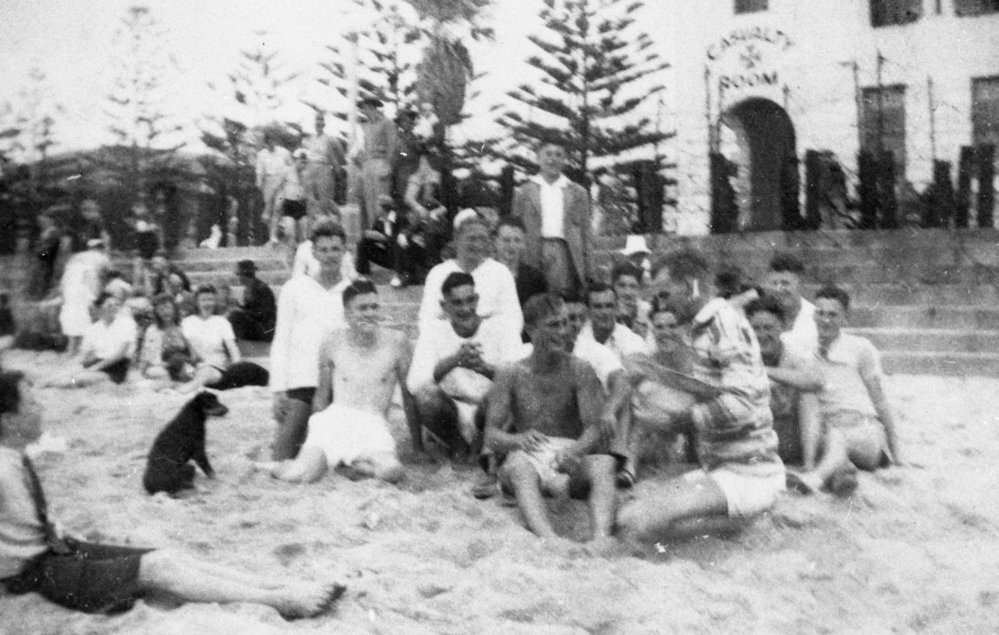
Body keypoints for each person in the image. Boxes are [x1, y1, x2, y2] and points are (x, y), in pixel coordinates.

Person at [0, 371, 343, 618]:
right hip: (37, 571)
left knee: (165, 556)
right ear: (8, 419)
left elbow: (33, 524)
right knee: (159, 567)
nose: (42, 407)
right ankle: (278, 601)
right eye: (32, 402)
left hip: (56, 551)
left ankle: (277, 586)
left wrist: (70, 542)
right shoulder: (3, 468)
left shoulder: (14, 456)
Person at [617, 248, 785, 539]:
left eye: (666, 294)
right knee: (627, 513)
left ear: (690, 285)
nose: (661, 302)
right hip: (720, 467)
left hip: (748, 474)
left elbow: (742, 404)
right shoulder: (701, 328)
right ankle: (737, 522)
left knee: (638, 523)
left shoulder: (724, 323)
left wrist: (676, 421)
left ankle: (748, 525)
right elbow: (712, 393)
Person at [484, 294, 617, 542]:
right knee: (518, 468)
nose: (564, 331)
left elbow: (594, 428)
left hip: (568, 454)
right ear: (531, 329)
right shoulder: (511, 373)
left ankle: (601, 538)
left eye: (566, 323)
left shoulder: (580, 369)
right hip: (528, 454)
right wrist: (518, 440)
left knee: (604, 464)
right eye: (554, 325)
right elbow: (491, 436)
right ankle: (549, 538)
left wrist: (576, 450)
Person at [268, 279, 415, 484]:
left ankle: (351, 467)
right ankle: (278, 465)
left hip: (373, 423)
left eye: (374, 307)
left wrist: (418, 446)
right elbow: (321, 397)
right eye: (362, 308)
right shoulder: (332, 342)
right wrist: (314, 435)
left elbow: (409, 395)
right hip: (334, 420)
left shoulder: (397, 342)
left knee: (392, 471)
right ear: (347, 313)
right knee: (300, 475)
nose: (370, 314)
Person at [786, 285, 901, 494]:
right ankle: (837, 475)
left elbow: (880, 400)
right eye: (820, 313)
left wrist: (898, 455)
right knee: (832, 438)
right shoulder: (801, 348)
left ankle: (814, 478)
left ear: (844, 318)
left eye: (833, 314)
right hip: (825, 432)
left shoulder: (860, 347)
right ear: (813, 315)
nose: (825, 320)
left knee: (839, 437)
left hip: (863, 432)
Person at [407, 272, 521, 459]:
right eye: (457, 303)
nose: (466, 308)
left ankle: (483, 443)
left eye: (470, 300)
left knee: (503, 391)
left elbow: (519, 379)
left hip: (491, 413)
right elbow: (414, 384)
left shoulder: (501, 327)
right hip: (452, 411)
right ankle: (458, 445)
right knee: (425, 395)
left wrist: (484, 368)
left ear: (477, 299)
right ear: (444, 306)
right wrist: (454, 361)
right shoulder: (433, 332)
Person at [269, 220, 352, 461]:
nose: (329, 255)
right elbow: (281, 340)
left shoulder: (352, 291)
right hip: (301, 383)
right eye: (323, 249)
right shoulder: (294, 289)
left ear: (345, 251)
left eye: (335, 249)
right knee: (282, 457)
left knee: (337, 456)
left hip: (339, 386)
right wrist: (278, 390)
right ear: (313, 252)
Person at [745, 296, 824, 471]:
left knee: (808, 395)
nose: (762, 335)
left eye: (768, 328)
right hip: (754, 439)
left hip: (788, 436)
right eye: (755, 328)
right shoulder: (743, 355)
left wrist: (766, 371)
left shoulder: (794, 354)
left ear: (781, 327)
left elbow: (816, 381)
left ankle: (809, 465)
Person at [417, 210, 522, 336]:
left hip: (491, 345)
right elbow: (426, 320)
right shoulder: (438, 273)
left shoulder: (500, 272)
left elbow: (515, 320)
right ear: (456, 238)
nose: (478, 244)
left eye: (483, 239)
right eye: (471, 238)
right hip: (449, 345)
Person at [512, 141, 591, 296]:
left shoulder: (577, 192)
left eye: (558, 155)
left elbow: (586, 234)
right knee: (532, 296)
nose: (552, 159)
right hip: (532, 250)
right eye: (548, 154)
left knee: (560, 295)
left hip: (563, 251)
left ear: (564, 160)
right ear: (538, 158)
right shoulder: (524, 191)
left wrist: (589, 269)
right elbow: (515, 230)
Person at [178, 285, 268, 393]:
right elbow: (182, 347)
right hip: (192, 367)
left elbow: (233, 348)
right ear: (197, 302)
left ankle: (183, 391)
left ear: (215, 302)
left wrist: (236, 368)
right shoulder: (187, 322)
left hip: (216, 369)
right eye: (203, 300)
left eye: (210, 299)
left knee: (207, 372)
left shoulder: (221, 322)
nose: (207, 303)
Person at [43, 292, 137, 388]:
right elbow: (84, 354)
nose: (113, 308)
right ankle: (46, 382)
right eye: (109, 305)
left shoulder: (127, 323)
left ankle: (49, 385)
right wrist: (71, 367)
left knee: (80, 379)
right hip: (97, 362)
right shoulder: (94, 329)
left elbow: (120, 354)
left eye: (116, 305)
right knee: (69, 371)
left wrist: (94, 368)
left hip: (116, 366)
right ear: (100, 308)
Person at [58, 238, 110, 356]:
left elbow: (66, 273)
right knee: (87, 316)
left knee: (72, 316)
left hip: (70, 288)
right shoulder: (102, 257)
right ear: (100, 248)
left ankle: (72, 348)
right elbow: (106, 274)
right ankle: (86, 348)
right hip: (86, 287)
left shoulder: (78, 256)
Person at [355, 194, 416, 288]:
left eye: (376, 206)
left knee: (398, 243)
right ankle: (362, 272)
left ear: (383, 207)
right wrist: (368, 235)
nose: (375, 208)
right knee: (363, 242)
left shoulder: (399, 218)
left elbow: (404, 237)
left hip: (400, 258)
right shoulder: (379, 220)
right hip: (388, 256)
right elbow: (375, 235)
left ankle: (400, 275)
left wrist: (384, 237)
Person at [355, 98, 398, 231]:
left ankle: (385, 235)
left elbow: (393, 146)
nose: (363, 111)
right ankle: (373, 235)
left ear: (371, 107)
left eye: (365, 108)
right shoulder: (365, 125)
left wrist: (388, 166)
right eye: (362, 108)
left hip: (381, 163)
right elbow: (364, 146)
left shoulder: (387, 123)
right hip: (367, 164)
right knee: (368, 202)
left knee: (381, 203)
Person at [764, 252, 817, 356]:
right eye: (774, 283)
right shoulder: (763, 313)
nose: (778, 289)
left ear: (800, 284)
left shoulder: (814, 317)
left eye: (785, 283)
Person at [578, 283, 648, 360]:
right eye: (597, 307)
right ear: (588, 310)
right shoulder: (579, 338)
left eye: (609, 306)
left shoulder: (631, 339)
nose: (604, 312)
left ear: (616, 307)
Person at [494, 216, 547, 314]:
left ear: (524, 244)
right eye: (506, 240)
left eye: (517, 240)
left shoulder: (535, 278)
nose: (511, 246)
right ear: (495, 242)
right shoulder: (485, 273)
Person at [139, 294, 196, 382]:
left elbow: (192, 352)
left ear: (174, 310)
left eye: (168, 308)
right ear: (156, 312)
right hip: (159, 367)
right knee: (163, 374)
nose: (166, 312)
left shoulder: (183, 327)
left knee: (189, 372)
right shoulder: (152, 330)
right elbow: (146, 354)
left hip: (182, 364)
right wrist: (143, 370)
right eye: (161, 309)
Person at [302, 112, 346, 217]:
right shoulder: (308, 140)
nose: (319, 122)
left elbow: (341, 158)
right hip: (310, 170)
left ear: (324, 123)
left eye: (321, 120)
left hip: (324, 170)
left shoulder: (331, 139)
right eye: (317, 120)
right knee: (311, 201)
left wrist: (339, 171)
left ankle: (332, 224)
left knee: (325, 201)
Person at [255, 129, 292, 246]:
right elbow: (259, 172)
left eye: (274, 141)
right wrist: (259, 183)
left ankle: (276, 233)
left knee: (277, 207)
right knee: (270, 212)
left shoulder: (284, 153)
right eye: (269, 141)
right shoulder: (261, 155)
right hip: (268, 183)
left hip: (281, 184)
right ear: (266, 142)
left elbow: (290, 168)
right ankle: (273, 236)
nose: (272, 143)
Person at [228, 260, 276, 342]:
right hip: (258, 325)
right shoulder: (248, 288)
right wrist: (238, 304)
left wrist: (241, 311)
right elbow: (250, 309)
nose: (237, 278)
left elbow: (263, 314)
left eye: (239, 275)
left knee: (235, 316)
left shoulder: (262, 289)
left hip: (266, 329)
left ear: (245, 275)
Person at [611, 262, 651, 339]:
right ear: (613, 287)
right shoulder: (605, 311)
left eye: (633, 286)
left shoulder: (647, 312)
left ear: (639, 289)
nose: (627, 292)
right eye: (622, 285)